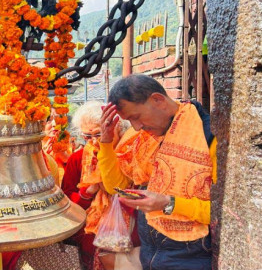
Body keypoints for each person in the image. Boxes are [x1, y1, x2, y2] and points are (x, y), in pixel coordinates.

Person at [98, 74, 216, 270]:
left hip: (191, 257)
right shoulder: (141, 139)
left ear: (158, 100)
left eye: (136, 117)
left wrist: (169, 204)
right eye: (129, 121)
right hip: (151, 253)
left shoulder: (207, 136)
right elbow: (114, 186)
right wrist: (106, 141)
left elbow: (223, 213)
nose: (136, 127)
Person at [61, 101, 138, 270]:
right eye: (87, 137)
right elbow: (67, 203)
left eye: (98, 134)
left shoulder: (130, 152)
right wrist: (88, 191)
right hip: (90, 235)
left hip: (129, 232)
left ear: (116, 127)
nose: (94, 142)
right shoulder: (78, 158)